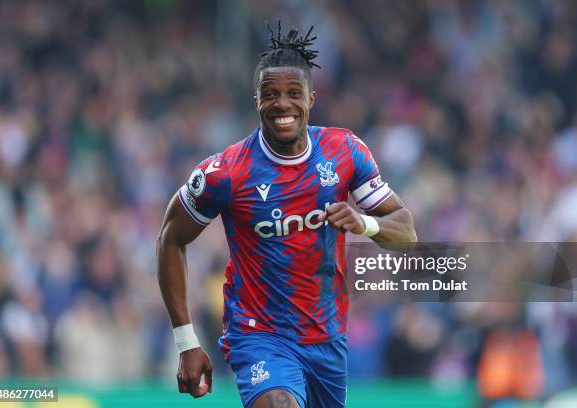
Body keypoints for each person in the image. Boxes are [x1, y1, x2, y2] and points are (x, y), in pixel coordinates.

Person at [156, 21, 417, 408]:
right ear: (256, 99)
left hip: (327, 338)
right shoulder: (225, 172)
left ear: (311, 98)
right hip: (258, 334)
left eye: (294, 93)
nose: (283, 104)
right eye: (270, 93)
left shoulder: (346, 152)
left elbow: (407, 235)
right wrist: (186, 342)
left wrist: (365, 223)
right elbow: (170, 238)